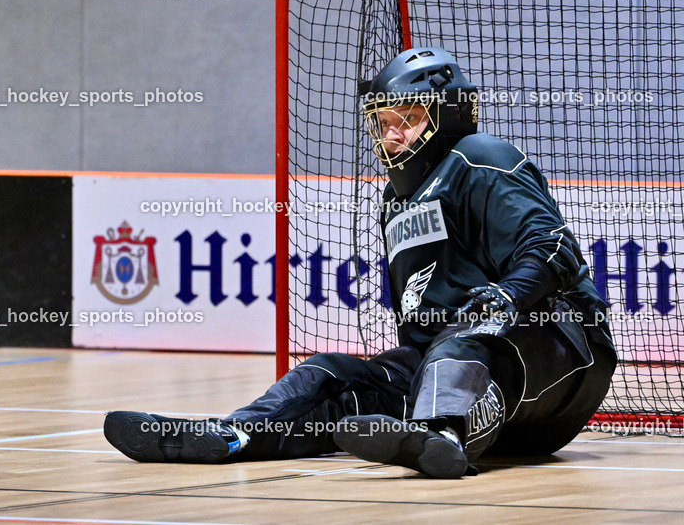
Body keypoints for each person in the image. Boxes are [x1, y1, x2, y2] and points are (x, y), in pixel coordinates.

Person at [104, 47, 617, 478]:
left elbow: (553, 250)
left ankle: (441, 435)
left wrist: (505, 299)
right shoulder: (394, 202)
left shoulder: (479, 157)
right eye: (385, 122)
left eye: (409, 120)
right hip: (458, 370)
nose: (393, 135)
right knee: (331, 374)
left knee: (463, 342)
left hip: (563, 355)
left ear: (451, 114)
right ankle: (237, 434)